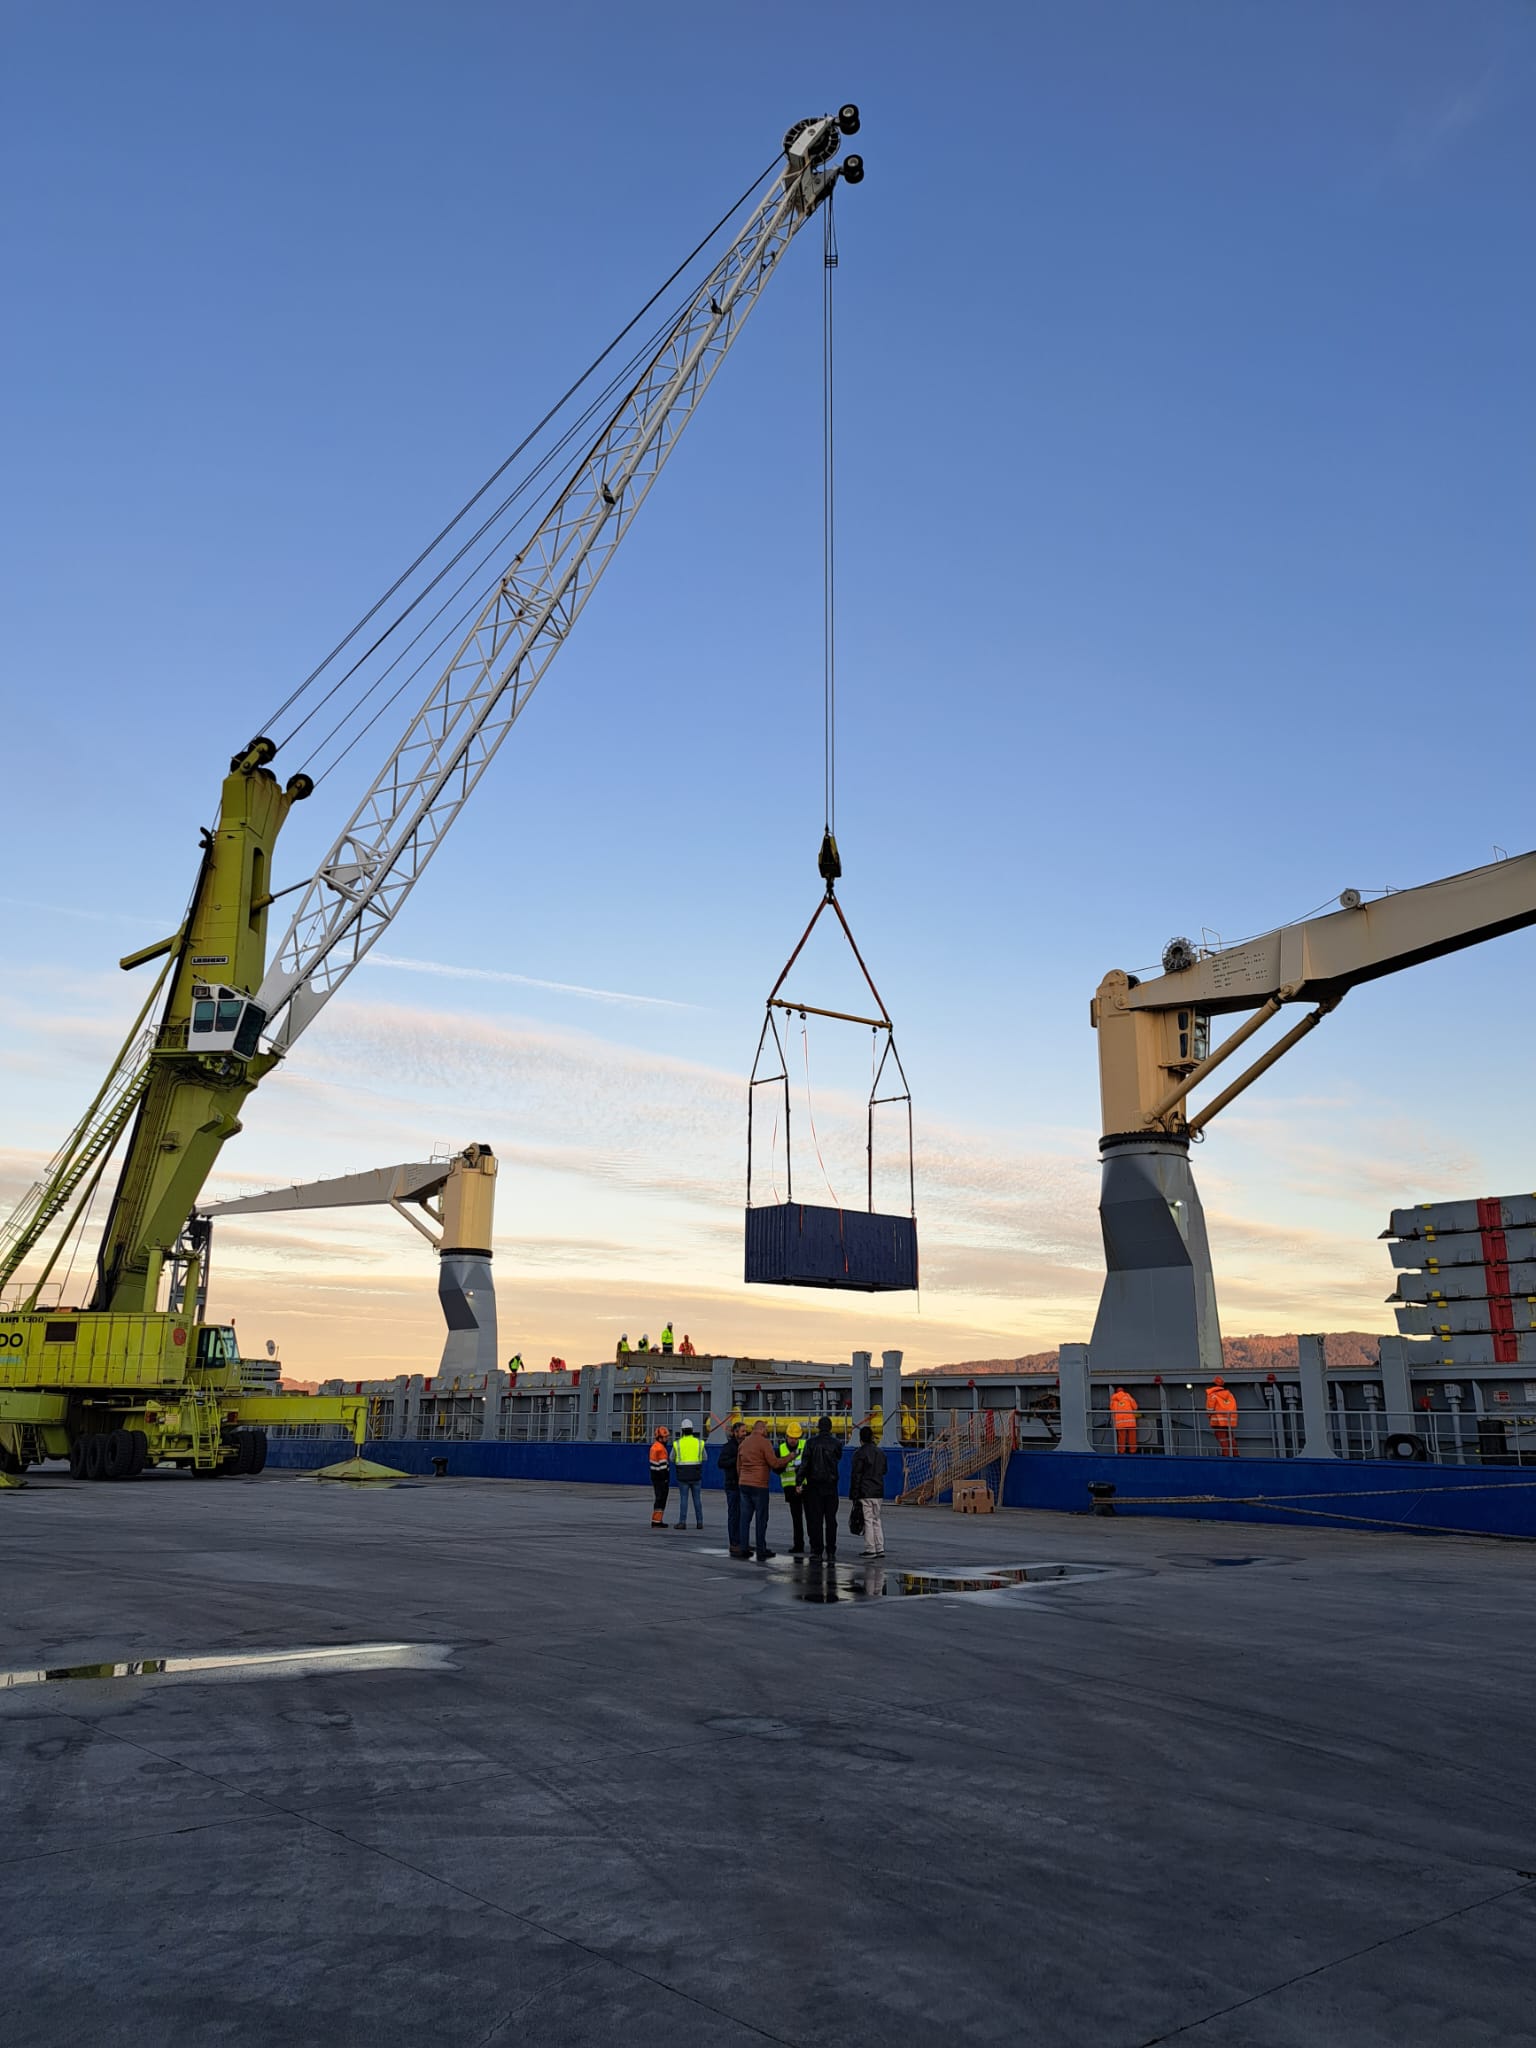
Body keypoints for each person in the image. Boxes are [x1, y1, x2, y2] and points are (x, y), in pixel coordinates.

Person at [735, 1420, 788, 1561]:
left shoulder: (743, 1443)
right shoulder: (765, 1443)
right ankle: (761, 1549)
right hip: (759, 1485)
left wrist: (743, 1479)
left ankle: (744, 1548)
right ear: (762, 1429)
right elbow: (774, 1463)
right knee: (761, 1518)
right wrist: (789, 1457)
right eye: (766, 1429)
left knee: (745, 1519)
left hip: (744, 1484)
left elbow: (738, 1466)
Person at [799, 1414, 844, 1560]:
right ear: (830, 1428)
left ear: (818, 1428)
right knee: (831, 1520)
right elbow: (838, 1458)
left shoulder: (811, 1443)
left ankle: (816, 1550)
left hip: (814, 1486)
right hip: (831, 1486)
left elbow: (804, 1465)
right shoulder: (836, 1443)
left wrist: (799, 1481)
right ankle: (831, 1550)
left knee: (815, 1520)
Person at [849, 1424, 887, 1557]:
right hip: (878, 1491)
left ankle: (870, 1549)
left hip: (865, 1492)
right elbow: (884, 1470)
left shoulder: (859, 1453)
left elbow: (856, 1475)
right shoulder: (880, 1452)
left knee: (868, 1520)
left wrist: (854, 1494)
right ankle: (880, 1547)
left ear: (861, 1439)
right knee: (877, 1519)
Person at [775, 1420, 807, 1553]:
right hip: (790, 1488)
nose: (793, 1440)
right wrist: (788, 1460)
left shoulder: (806, 1446)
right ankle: (798, 1545)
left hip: (805, 1486)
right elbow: (776, 1469)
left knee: (812, 1517)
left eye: (796, 1438)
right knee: (797, 1518)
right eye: (791, 1437)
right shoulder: (781, 1450)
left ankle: (816, 1545)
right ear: (786, 1436)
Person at [718, 1420, 748, 1556]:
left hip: (743, 1485)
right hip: (732, 1485)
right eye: (742, 1431)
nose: (745, 1433)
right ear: (735, 1433)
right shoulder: (729, 1447)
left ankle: (742, 1541)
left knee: (743, 1515)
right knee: (734, 1515)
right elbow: (721, 1462)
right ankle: (734, 1543)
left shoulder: (745, 1445)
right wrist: (736, 1460)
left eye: (745, 1431)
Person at [671, 1417, 705, 1527]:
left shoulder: (677, 1444)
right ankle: (699, 1522)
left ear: (682, 1430)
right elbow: (705, 1457)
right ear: (692, 1429)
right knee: (697, 1499)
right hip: (696, 1473)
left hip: (682, 1475)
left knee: (683, 1499)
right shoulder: (699, 1443)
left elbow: (671, 1458)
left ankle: (682, 1522)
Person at [1205, 1376, 1238, 1457]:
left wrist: (1209, 1416)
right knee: (1231, 1439)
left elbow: (1209, 1409)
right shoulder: (1230, 1394)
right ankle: (1236, 1455)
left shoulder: (1212, 1395)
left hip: (1218, 1422)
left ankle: (1225, 1456)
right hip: (1230, 1421)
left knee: (1222, 1439)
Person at [647, 1425, 671, 1528]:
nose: (667, 1439)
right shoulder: (660, 1449)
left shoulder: (654, 1447)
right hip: (661, 1478)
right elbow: (662, 1466)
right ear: (660, 1437)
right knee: (661, 1499)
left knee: (659, 1498)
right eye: (665, 1437)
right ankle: (657, 1520)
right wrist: (665, 1479)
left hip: (655, 1476)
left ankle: (657, 1519)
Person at [1110, 1386, 1139, 1455]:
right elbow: (1135, 1407)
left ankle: (1121, 1451)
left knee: (1121, 1438)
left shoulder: (1113, 1399)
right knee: (1132, 1437)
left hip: (1120, 1422)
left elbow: (1112, 1409)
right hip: (1130, 1421)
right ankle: (1133, 1451)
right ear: (1123, 1391)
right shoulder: (1128, 1396)